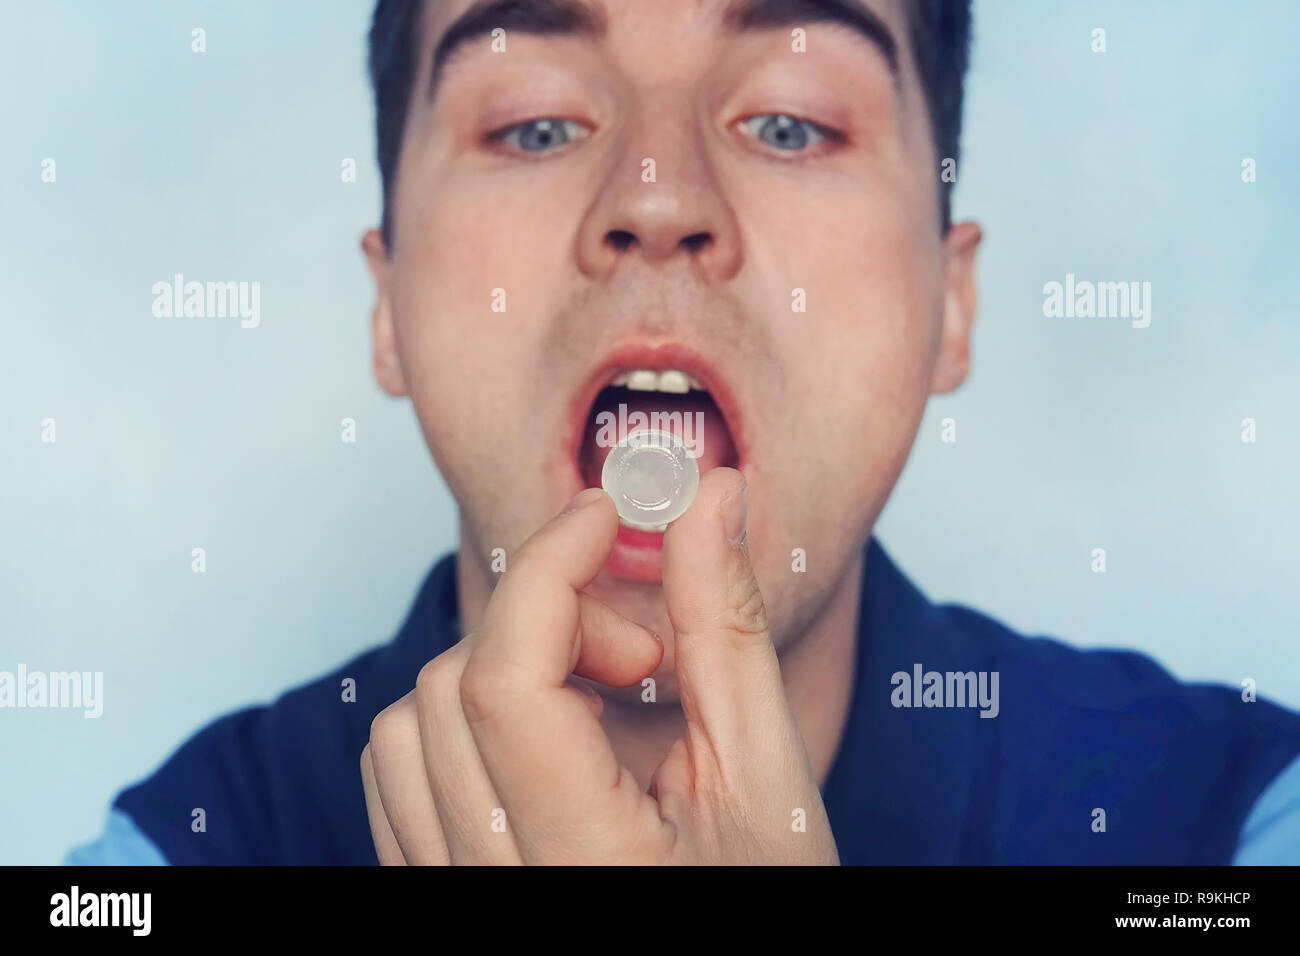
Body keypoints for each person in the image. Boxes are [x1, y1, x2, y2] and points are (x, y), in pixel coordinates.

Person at [67, 0, 1300, 865]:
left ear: (949, 305)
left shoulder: (1236, 819)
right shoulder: (169, 854)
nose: (656, 195)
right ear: (387, 308)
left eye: (791, 122)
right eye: (537, 124)